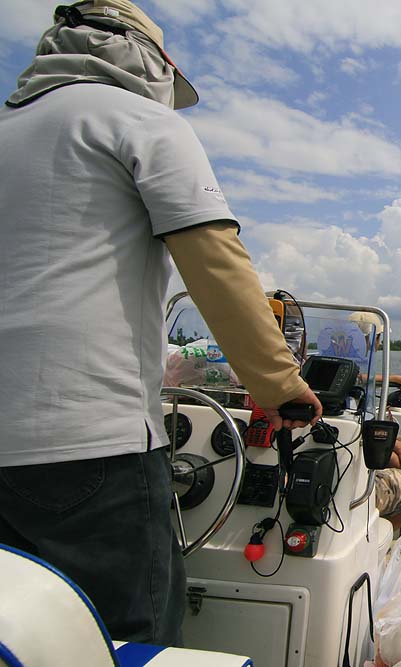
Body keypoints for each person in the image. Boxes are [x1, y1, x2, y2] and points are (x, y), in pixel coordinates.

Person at [0, 0, 321, 647]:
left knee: (23, 638)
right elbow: (215, 262)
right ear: (152, 61)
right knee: (127, 637)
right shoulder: (138, 120)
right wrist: (280, 386)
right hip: (89, 445)